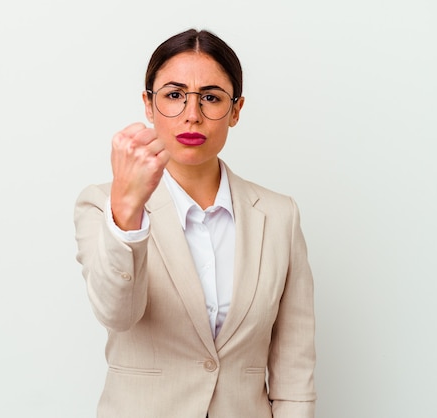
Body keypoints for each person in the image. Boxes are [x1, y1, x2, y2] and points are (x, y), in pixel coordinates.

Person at [74, 28, 316, 418]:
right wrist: (129, 206)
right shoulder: (103, 205)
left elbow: (294, 362)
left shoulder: (280, 215)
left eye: (210, 97)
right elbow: (117, 314)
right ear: (148, 106)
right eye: (173, 95)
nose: (192, 114)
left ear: (235, 110)